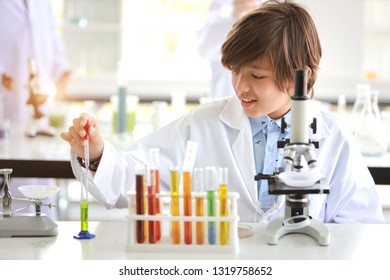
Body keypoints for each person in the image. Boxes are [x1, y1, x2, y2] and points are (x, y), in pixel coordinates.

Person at [61, 0, 384, 224]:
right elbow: (140, 177)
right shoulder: (203, 124)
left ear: (302, 76)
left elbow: (358, 223)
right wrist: (97, 153)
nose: (241, 86)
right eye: (234, 71)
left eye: (257, 76)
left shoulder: (333, 136)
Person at [0, 0, 71, 219]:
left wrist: (62, 69)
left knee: (42, 181)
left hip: (41, 107)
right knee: (12, 184)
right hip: (7, 105)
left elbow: (50, 35)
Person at [198, 0, 264, 99]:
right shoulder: (219, 16)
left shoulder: (272, 17)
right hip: (223, 96)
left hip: (262, 100)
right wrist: (238, 20)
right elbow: (204, 49)